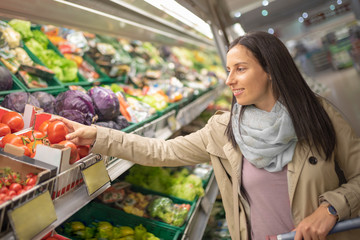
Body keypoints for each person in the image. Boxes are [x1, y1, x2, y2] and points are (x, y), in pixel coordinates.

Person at [54, 31, 360, 240]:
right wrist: (98, 135)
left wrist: (331, 207)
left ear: (270, 70)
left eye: (240, 69)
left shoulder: (318, 115)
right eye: (228, 70)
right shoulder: (224, 130)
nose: (229, 80)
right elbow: (161, 151)